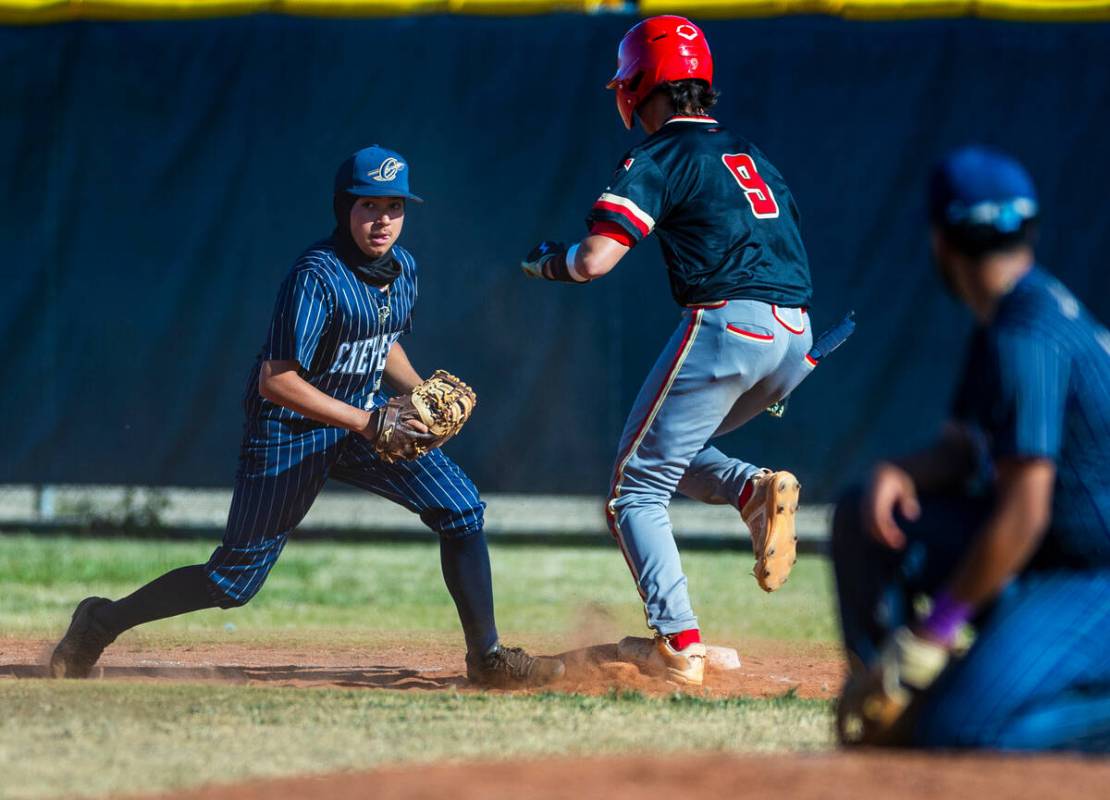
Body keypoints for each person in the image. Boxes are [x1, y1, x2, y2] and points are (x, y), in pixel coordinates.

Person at [51, 145, 564, 689]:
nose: (382, 219)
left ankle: (486, 657)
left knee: (462, 511)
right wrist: (368, 422)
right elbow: (277, 380)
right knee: (232, 582)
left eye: (394, 206)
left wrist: (419, 391)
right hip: (290, 432)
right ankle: (101, 621)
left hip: (367, 422)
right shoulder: (316, 276)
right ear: (344, 208)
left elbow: (380, 343)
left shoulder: (405, 269)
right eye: (369, 206)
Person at [520, 16, 839, 686]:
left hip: (730, 324)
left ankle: (677, 644)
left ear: (637, 85)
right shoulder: (752, 155)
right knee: (672, 454)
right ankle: (753, 489)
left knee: (632, 490)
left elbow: (598, 259)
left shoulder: (659, 155)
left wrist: (552, 263)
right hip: (798, 337)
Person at [832, 146, 1110, 751]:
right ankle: (890, 700)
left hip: (1091, 577)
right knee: (863, 513)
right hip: (1056, 560)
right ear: (1028, 230)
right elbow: (961, 448)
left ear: (940, 242)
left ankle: (935, 698)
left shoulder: (1027, 335)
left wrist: (933, 634)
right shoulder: (1012, 319)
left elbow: (1024, 513)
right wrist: (901, 471)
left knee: (967, 731)